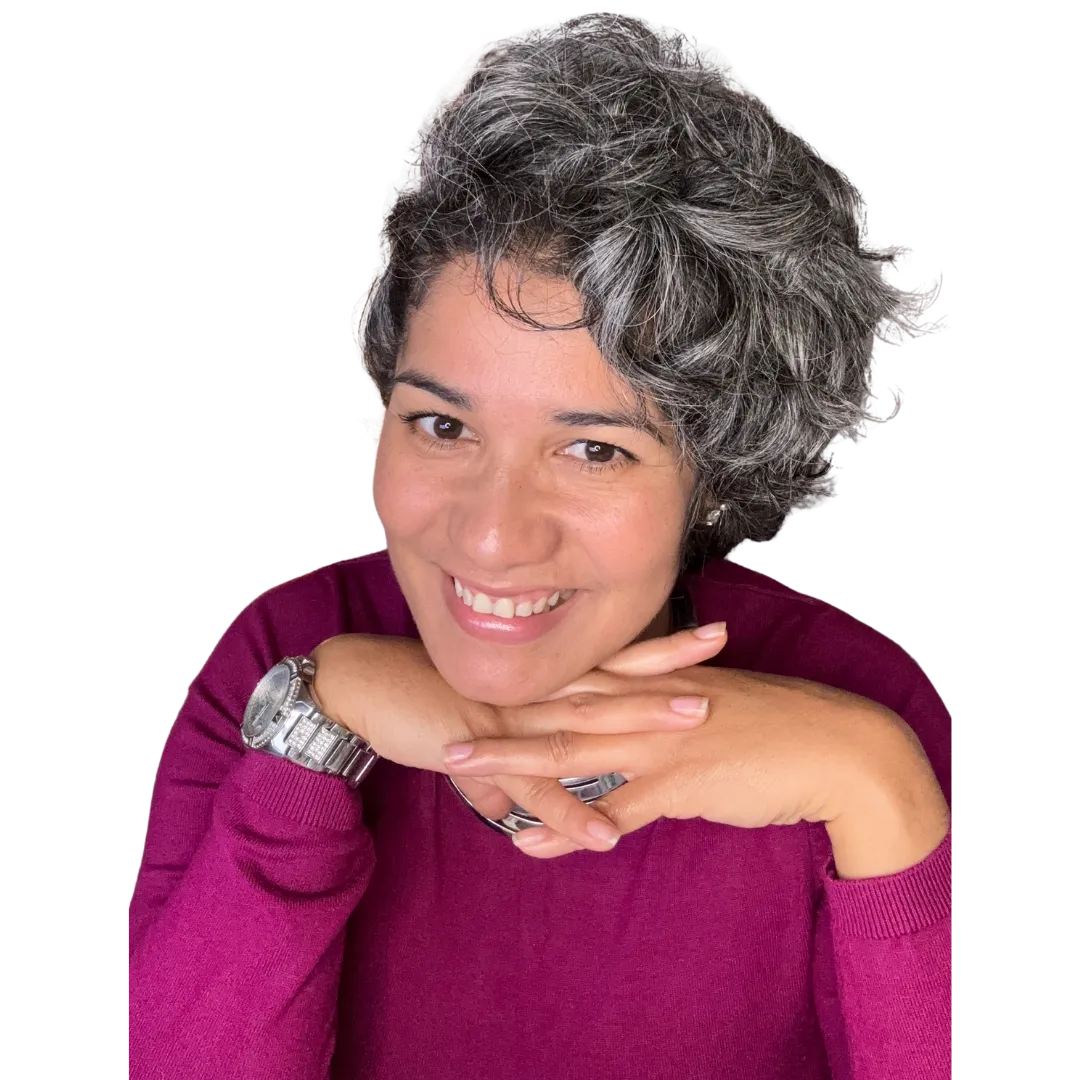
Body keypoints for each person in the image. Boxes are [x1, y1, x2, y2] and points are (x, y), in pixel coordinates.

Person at [129, 12, 951, 1080]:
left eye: (595, 450)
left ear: (716, 468)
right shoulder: (287, 657)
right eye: (442, 425)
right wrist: (314, 736)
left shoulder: (858, 702)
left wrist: (876, 784)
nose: (490, 534)